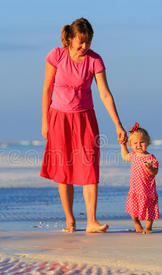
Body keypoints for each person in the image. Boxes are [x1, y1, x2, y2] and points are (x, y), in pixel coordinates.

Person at [40, 18, 126, 233]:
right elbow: (46, 90)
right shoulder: (57, 55)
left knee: (89, 167)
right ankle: (70, 220)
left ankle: (91, 221)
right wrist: (45, 121)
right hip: (59, 117)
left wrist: (118, 124)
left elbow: (105, 94)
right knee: (64, 169)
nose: (84, 47)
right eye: (81, 42)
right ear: (70, 39)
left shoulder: (94, 60)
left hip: (85, 118)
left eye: (88, 42)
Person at [120, 122, 159, 234]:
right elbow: (124, 156)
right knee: (134, 208)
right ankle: (137, 223)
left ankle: (148, 227)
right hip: (135, 189)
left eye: (142, 142)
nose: (138, 145)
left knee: (150, 208)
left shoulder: (151, 158)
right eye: (135, 143)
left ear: (147, 142)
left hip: (148, 190)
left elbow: (155, 172)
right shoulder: (133, 155)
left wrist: (150, 168)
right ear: (131, 145)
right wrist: (122, 145)